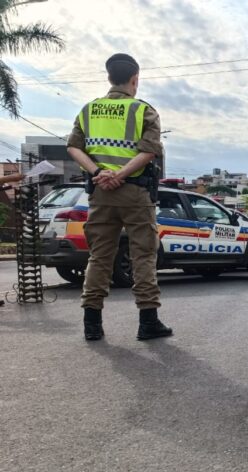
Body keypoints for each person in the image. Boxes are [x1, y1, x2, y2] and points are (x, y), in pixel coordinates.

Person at [67, 53, 172, 341]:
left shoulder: (88, 110)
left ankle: (92, 324)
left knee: (99, 257)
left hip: (100, 194)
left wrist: (98, 172)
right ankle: (148, 322)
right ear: (135, 79)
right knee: (143, 256)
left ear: (109, 78)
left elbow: (73, 148)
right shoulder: (144, 111)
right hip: (136, 194)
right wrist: (120, 174)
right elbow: (149, 151)